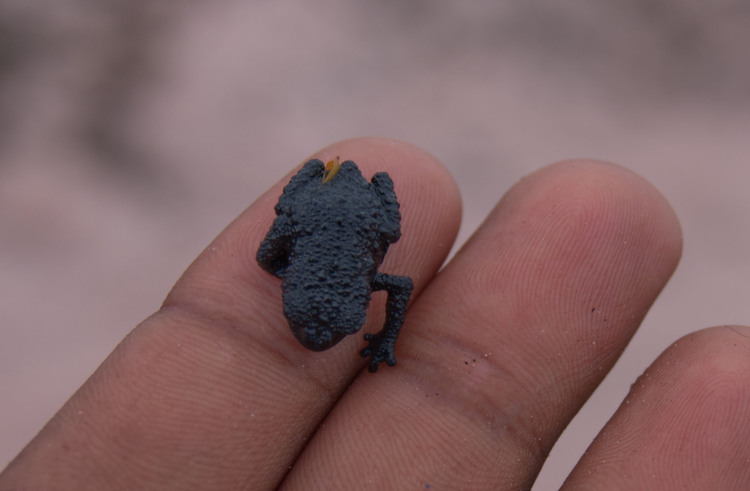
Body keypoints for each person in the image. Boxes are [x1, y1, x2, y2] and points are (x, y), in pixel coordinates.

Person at [1, 138, 747, 490]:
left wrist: (376, 327)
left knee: (384, 218)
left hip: (344, 210)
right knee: (374, 218)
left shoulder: (343, 269)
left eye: (325, 321)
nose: (316, 335)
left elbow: (318, 266)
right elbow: (365, 279)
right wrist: (377, 329)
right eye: (313, 321)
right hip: (334, 208)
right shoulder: (347, 277)